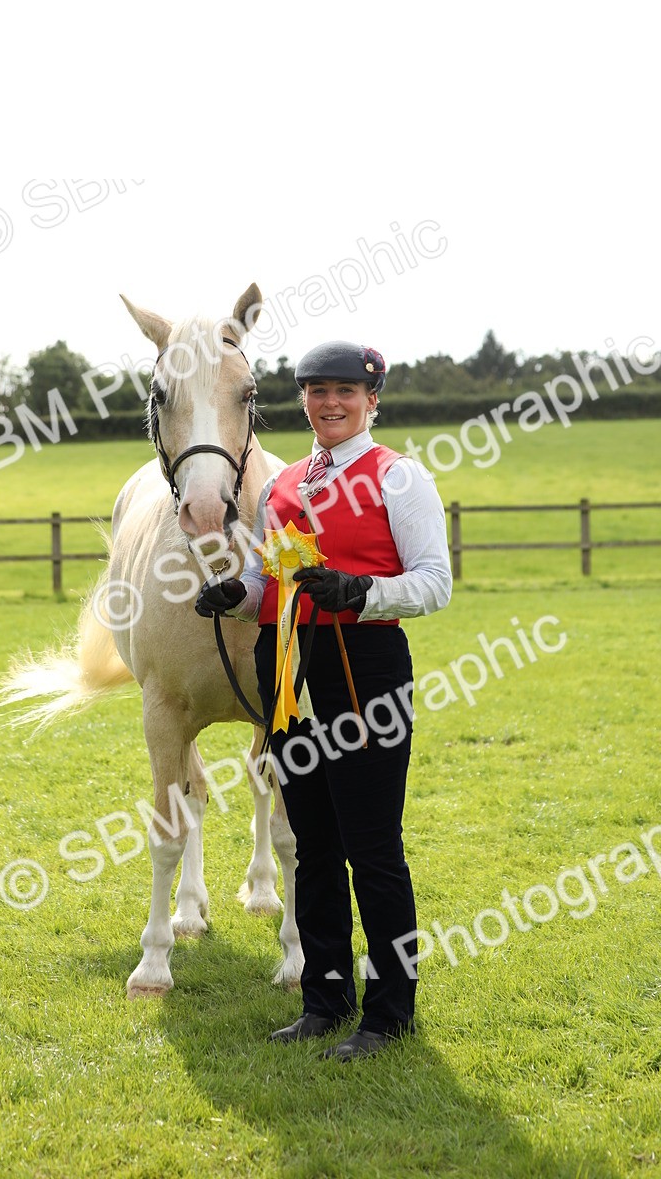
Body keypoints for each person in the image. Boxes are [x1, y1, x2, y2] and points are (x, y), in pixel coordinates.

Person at [196, 340, 452, 1061]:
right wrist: (237, 594)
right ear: (303, 400)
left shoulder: (398, 477)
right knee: (312, 845)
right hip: (289, 673)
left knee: (373, 851)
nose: (330, 403)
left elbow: (435, 582)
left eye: (345, 391)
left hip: (363, 668)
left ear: (372, 400)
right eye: (316, 391)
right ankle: (325, 999)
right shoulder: (284, 486)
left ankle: (389, 1014)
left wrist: (363, 593)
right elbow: (263, 577)